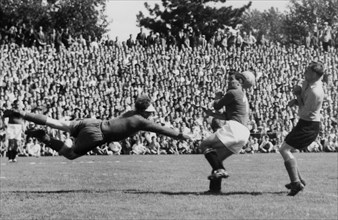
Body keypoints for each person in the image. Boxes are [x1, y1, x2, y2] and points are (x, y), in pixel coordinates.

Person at [4, 95, 191, 160]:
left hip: (93, 122)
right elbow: (163, 130)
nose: (151, 114)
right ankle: (43, 137)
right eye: (150, 111)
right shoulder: (141, 120)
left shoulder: (130, 112)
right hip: (96, 134)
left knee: (57, 123)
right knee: (70, 155)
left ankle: (22, 113)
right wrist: (182, 135)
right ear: (144, 111)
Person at [198, 71, 255, 194]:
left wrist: (217, 96)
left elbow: (217, 105)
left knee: (204, 145)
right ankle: (214, 189)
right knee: (216, 158)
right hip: (244, 133)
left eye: (231, 79)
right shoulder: (242, 95)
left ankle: (219, 170)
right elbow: (228, 115)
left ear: (240, 81)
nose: (228, 82)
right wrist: (212, 115)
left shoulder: (232, 92)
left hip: (234, 128)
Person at [280, 61, 325, 196]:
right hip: (304, 123)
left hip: (309, 125)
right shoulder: (308, 83)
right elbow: (302, 101)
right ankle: (298, 180)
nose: (304, 72)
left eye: (307, 71)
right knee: (285, 148)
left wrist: (297, 96)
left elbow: (305, 111)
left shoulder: (316, 92)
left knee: (284, 149)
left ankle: (296, 183)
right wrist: (296, 98)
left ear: (314, 74)